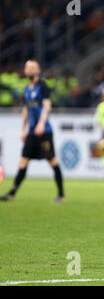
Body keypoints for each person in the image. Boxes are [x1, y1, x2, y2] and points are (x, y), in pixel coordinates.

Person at [0, 60, 65, 203]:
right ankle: (12, 193)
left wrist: (41, 123)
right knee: (23, 161)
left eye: (30, 67)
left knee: (52, 161)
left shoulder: (42, 86)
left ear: (38, 70)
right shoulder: (27, 89)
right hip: (31, 132)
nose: (27, 70)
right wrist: (23, 129)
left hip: (44, 132)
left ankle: (61, 195)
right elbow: (26, 109)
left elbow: (47, 106)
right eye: (26, 67)